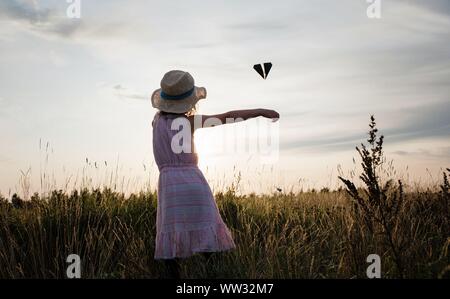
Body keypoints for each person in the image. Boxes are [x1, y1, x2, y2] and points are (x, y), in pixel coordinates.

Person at [151, 70, 279, 278]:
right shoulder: (189, 123)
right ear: (190, 101)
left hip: (169, 188)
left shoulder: (156, 122)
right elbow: (226, 117)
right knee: (208, 239)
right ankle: (213, 275)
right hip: (194, 183)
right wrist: (259, 111)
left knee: (171, 240)